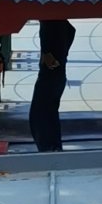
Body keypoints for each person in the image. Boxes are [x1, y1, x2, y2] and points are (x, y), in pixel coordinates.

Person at [27, 15, 75, 153]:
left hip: (50, 74)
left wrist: (50, 57)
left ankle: (49, 148)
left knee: (40, 114)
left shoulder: (52, 22)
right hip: (55, 74)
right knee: (47, 112)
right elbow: (71, 31)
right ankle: (53, 147)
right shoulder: (58, 24)